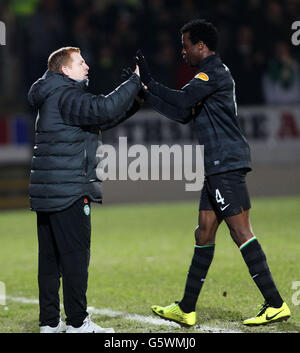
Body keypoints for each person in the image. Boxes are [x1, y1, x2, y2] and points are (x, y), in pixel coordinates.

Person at [136, 19, 291, 326]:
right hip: (217, 163)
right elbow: (182, 113)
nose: (183, 51)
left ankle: (275, 303)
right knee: (204, 231)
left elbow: (181, 99)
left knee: (240, 231)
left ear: (201, 46)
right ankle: (187, 307)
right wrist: (146, 95)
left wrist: (150, 82)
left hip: (225, 162)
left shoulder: (212, 72)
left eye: (186, 45)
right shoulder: (205, 79)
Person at [28, 46, 142, 333]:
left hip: (48, 191)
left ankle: (50, 323)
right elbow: (102, 108)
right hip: (69, 191)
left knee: (50, 262)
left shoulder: (52, 94)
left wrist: (134, 99)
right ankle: (78, 323)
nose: (87, 66)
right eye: (80, 62)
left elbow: (100, 118)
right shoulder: (67, 94)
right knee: (75, 258)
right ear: (65, 69)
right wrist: (134, 81)